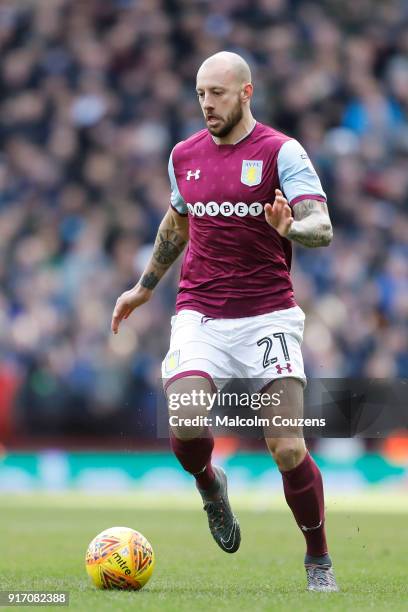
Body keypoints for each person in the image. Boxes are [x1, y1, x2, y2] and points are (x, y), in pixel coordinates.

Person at [111, 51, 338, 592]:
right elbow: (177, 221)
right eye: (200, 94)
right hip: (200, 315)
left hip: (268, 317)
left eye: (217, 93)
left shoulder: (283, 152)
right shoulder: (184, 155)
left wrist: (292, 230)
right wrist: (143, 288)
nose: (208, 104)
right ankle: (211, 486)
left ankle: (319, 558)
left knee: (286, 446)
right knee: (186, 425)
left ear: (246, 93)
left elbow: (322, 226)